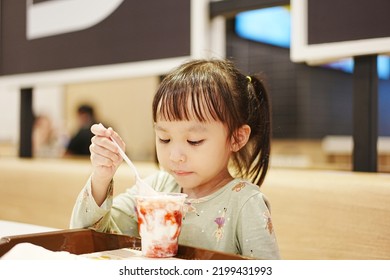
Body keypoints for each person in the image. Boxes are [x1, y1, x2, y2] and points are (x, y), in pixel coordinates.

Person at [70, 59, 280, 259]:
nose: (175, 156)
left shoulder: (244, 203)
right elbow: (89, 237)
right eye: (165, 138)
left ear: (237, 137)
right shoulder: (156, 188)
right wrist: (101, 177)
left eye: (194, 140)